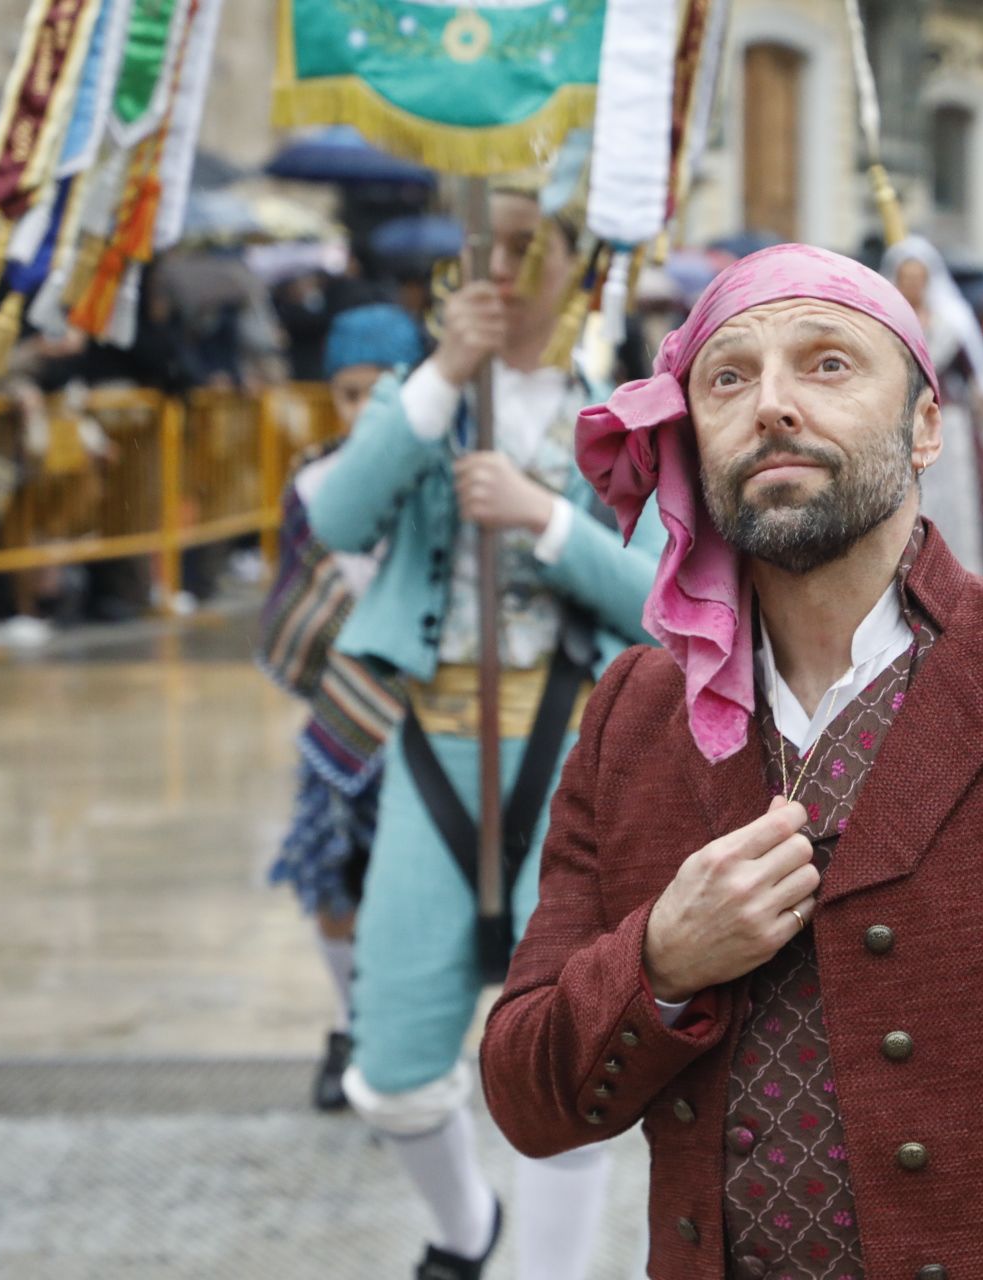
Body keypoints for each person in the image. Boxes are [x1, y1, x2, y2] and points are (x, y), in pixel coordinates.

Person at [480, 243, 983, 1278]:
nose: (772, 404)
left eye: (827, 364)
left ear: (925, 427)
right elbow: (525, 1095)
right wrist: (660, 959)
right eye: (728, 376)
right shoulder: (637, 714)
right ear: (693, 434)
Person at [307, 189, 665, 1280]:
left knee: (568, 1044)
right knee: (394, 1063)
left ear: (579, 264)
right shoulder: (427, 403)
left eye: (528, 248)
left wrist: (543, 517)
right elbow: (331, 518)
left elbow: (663, 603)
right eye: (485, 250)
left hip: (574, 759)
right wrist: (444, 377)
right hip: (431, 745)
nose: (502, 271)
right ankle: (466, 1230)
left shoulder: (634, 421)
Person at [256, 304, 425, 1112]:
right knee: (333, 881)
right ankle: (349, 1021)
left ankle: (401, 1027)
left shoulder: (435, 473)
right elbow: (298, 601)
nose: (361, 411)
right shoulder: (311, 481)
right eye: (347, 393)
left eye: (378, 392)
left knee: (414, 885)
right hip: (343, 717)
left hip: (431, 716)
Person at [882, 236, 983, 585]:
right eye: (906, 277)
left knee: (961, 506)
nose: (912, 285)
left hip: (949, 425)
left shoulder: (949, 322)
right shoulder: (885, 323)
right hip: (896, 425)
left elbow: (977, 374)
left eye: (918, 278)